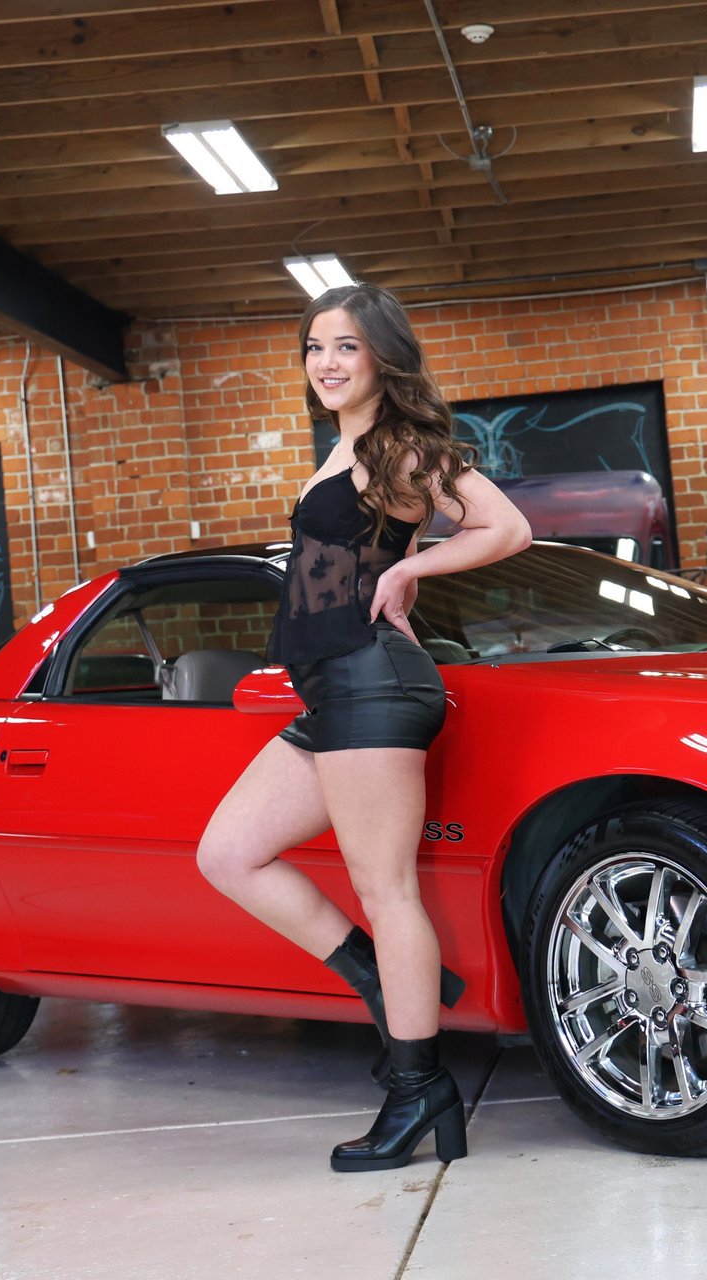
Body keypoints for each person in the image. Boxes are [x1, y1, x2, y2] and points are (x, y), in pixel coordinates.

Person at [196, 282, 531, 1173]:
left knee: (387, 893)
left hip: (370, 684)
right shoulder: (343, 451)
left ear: (382, 354)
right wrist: (399, 565)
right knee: (229, 852)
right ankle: (389, 984)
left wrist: (411, 571)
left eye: (346, 345)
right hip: (336, 691)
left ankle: (419, 1087)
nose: (327, 363)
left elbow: (508, 527)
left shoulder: (402, 447)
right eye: (315, 347)